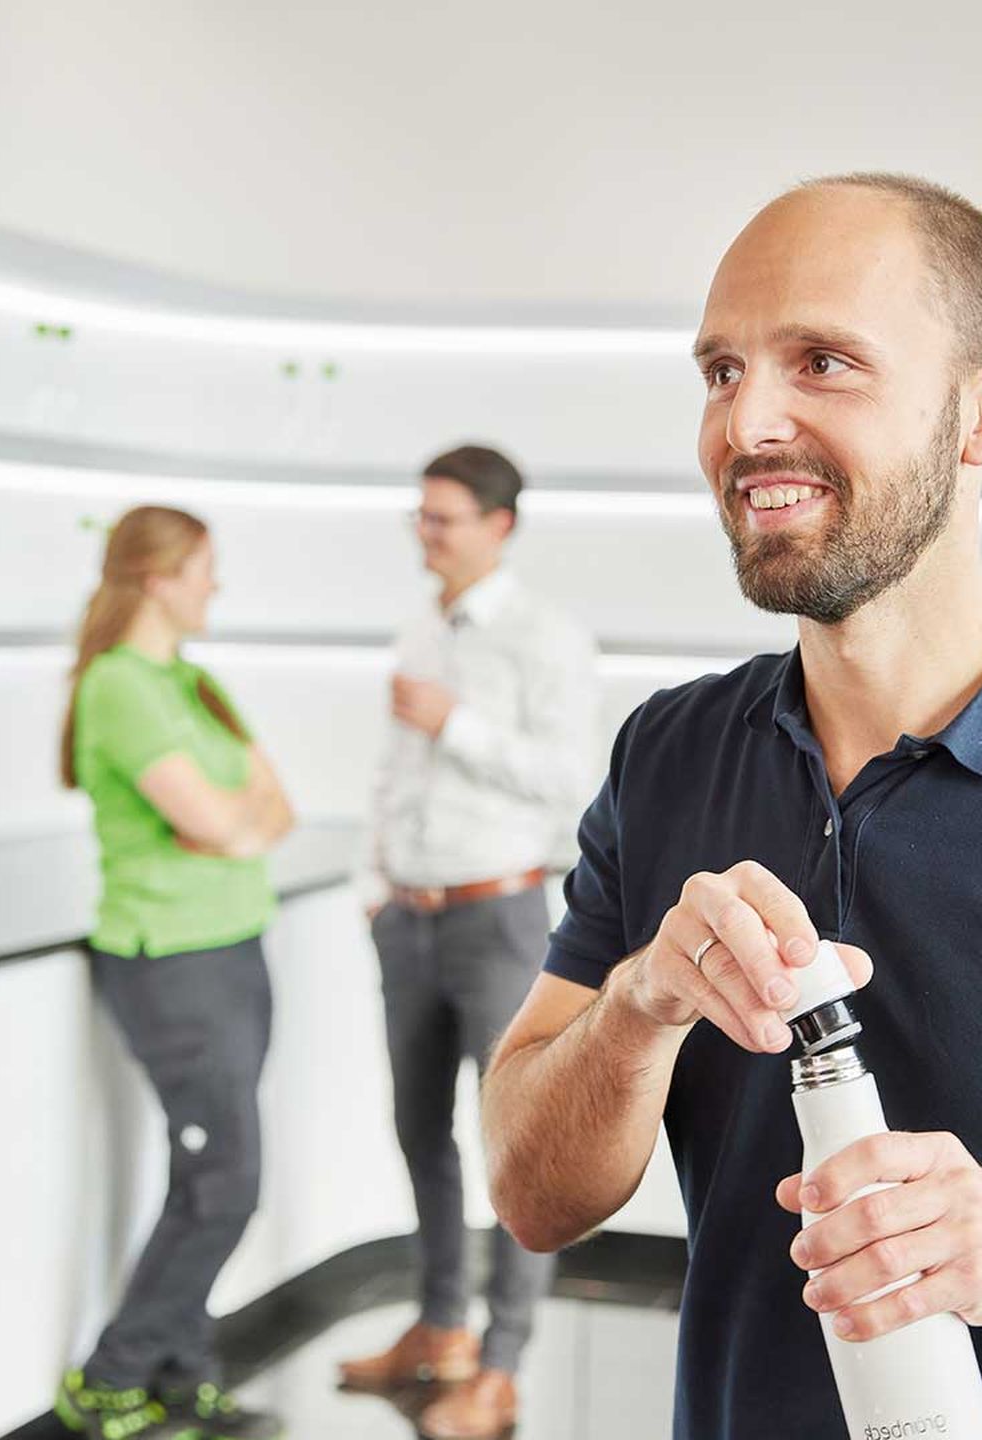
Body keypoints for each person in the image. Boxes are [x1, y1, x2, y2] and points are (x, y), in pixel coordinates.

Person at [481, 173, 982, 1439]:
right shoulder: (666, 754)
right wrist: (640, 1007)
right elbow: (532, 1197)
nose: (749, 425)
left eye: (824, 363)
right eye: (721, 371)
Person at [339, 445, 598, 1439]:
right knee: (418, 1132)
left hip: (499, 919)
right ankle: (440, 1328)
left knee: (516, 1150)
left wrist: (460, 726)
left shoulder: (547, 639)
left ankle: (500, 1366)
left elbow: (571, 780)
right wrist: (374, 890)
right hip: (407, 917)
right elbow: (390, 775)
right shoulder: (418, 626)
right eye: (421, 516)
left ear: (501, 526)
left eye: (443, 519)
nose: (426, 535)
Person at [55, 505, 293, 1440]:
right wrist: (235, 824)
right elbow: (223, 821)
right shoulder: (117, 686)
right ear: (156, 578)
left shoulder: (195, 682)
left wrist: (236, 823)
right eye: (202, 568)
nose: (214, 585)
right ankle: (107, 1378)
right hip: (168, 960)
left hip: (235, 945)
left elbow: (271, 810)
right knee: (227, 1181)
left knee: (207, 1179)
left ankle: (183, 1378)